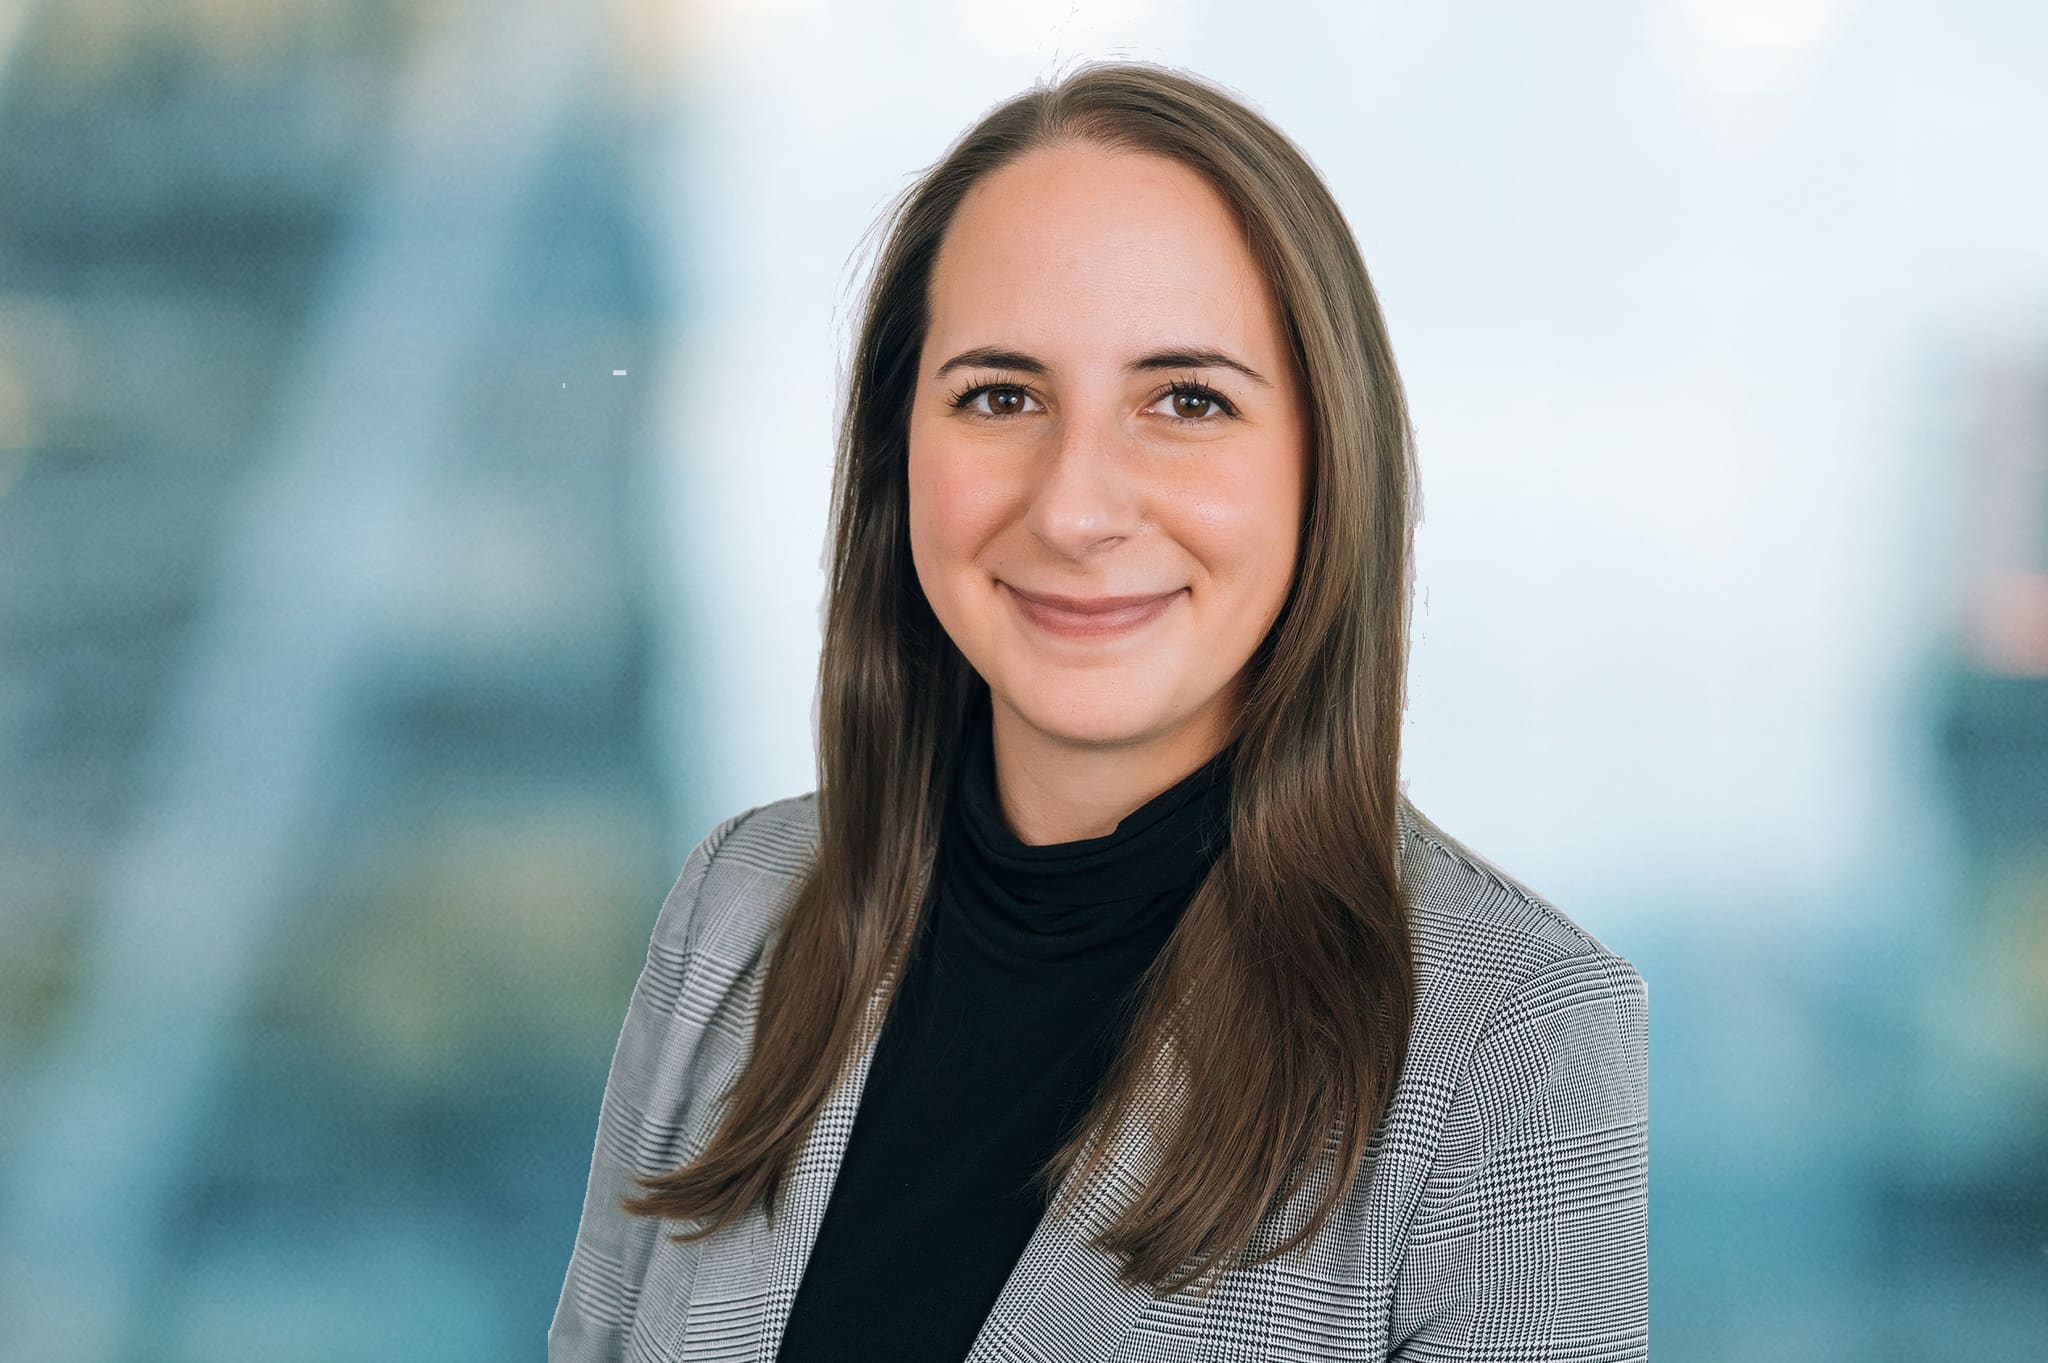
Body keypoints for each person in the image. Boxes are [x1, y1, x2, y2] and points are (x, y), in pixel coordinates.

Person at [550, 60, 1647, 1363]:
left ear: (1325, 464)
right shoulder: (740, 906)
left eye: (1187, 401)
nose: (1075, 508)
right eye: (999, 397)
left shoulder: (1514, 1040)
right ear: (902, 457)